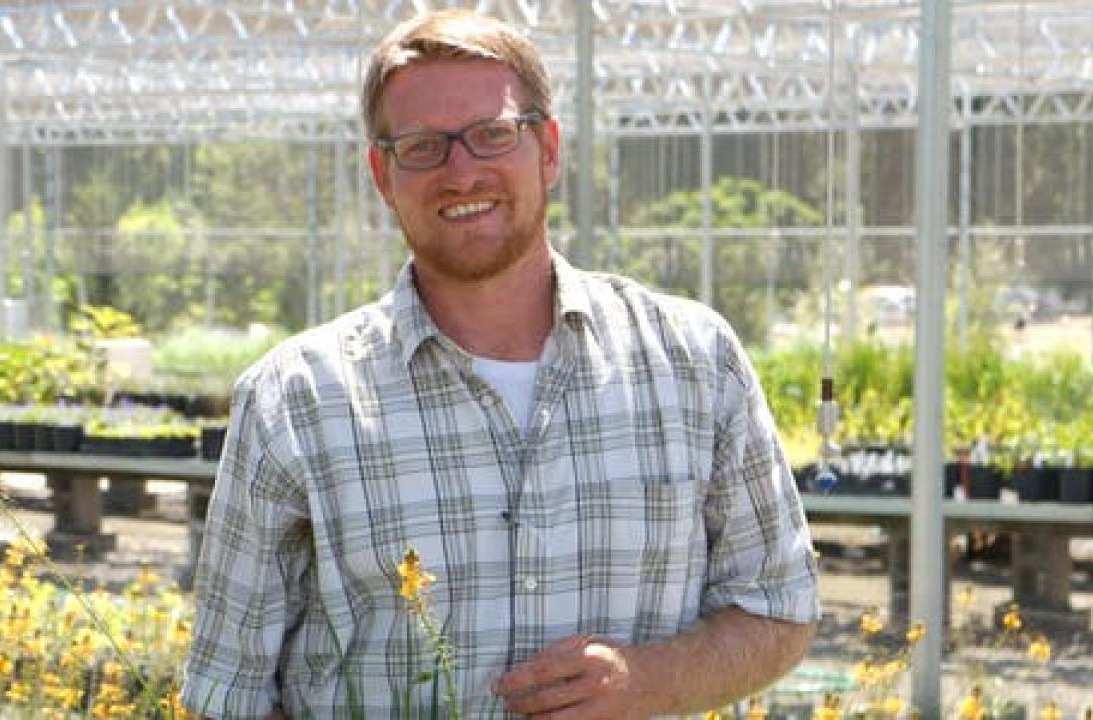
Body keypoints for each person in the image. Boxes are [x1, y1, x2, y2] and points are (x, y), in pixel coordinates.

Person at [181, 9, 819, 718]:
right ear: (382, 174)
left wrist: (650, 681)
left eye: (493, 134)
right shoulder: (295, 400)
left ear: (548, 148)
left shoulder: (694, 363)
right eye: (423, 147)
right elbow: (227, 691)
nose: (462, 172)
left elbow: (779, 607)